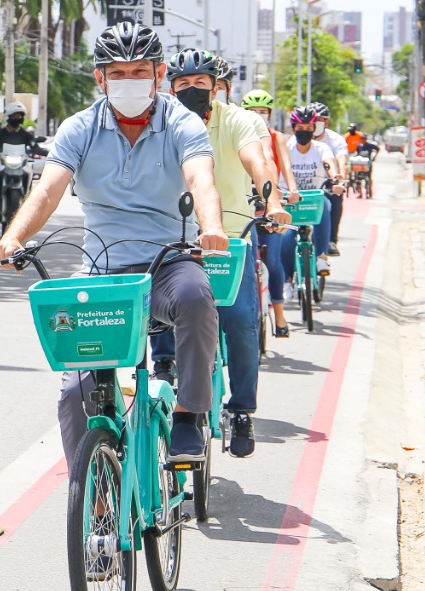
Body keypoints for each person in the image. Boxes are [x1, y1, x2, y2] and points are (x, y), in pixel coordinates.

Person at [0, 22, 229, 463]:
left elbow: (201, 179)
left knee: (198, 298)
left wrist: (211, 226)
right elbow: (47, 190)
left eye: (140, 70)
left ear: (159, 75)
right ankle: (96, 498)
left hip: (167, 265)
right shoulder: (79, 127)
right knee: (73, 392)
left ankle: (188, 415)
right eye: (117, 72)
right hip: (101, 270)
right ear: (100, 78)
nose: (129, 80)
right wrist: (13, 237)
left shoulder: (182, 122)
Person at [160, 48, 292, 458]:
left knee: (240, 324)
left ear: (217, 87)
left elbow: (260, 160)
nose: (192, 90)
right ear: (170, 87)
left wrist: (272, 203)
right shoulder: (159, 121)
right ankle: (164, 370)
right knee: (159, 314)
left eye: (201, 83)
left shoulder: (240, 121)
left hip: (229, 242)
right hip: (175, 240)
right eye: (183, 84)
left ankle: (241, 410)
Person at [241, 89, 300, 339]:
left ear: (270, 115)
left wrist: (288, 190)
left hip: (269, 200)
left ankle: (278, 314)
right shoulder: (236, 132)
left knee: (272, 260)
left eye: (262, 112)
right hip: (241, 205)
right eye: (251, 112)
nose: (257, 116)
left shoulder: (275, 137)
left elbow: (276, 164)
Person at [281, 105, 341, 279]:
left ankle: (322, 256)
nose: (304, 132)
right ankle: (287, 280)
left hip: (314, 200)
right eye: (300, 129)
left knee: (326, 205)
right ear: (293, 129)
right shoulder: (286, 147)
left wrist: (335, 178)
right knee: (286, 239)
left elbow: (329, 163)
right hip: (290, 200)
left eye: (309, 129)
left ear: (314, 129)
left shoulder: (321, 148)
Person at [0, 101, 47, 223]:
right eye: (15, 116)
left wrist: (42, 151)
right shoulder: (0, 133)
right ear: (8, 117)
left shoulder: (25, 134)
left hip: (20, 163)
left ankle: (28, 202)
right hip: (3, 162)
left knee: (29, 173)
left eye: (20, 116)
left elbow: (33, 145)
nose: (18, 118)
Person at [310, 102, 347, 257]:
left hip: (326, 183)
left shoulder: (335, 140)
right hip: (303, 183)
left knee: (335, 198)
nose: (319, 123)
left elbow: (341, 161)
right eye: (316, 119)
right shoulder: (297, 139)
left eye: (323, 120)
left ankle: (331, 239)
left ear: (327, 122)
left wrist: (340, 179)